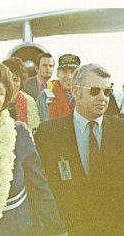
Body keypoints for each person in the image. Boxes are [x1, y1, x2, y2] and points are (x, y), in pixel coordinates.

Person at [0, 61, 67, 236]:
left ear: (5, 101)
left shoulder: (18, 133)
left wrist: (57, 231)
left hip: (20, 227)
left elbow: (39, 186)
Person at [34, 63, 124, 235]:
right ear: (76, 92)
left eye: (107, 92)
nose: (103, 97)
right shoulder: (49, 134)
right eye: (95, 90)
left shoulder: (121, 131)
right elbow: (43, 189)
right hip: (69, 229)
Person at [36, 54, 80, 122]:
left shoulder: (84, 96)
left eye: (73, 72)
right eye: (64, 72)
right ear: (57, 73)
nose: (69, 77)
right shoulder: (46, 95)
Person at [2, 57, 40, 132]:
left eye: (15, 80)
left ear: (21, 82)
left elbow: (35, 128)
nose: (11, 84)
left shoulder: (29, 101)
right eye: (8, 79)